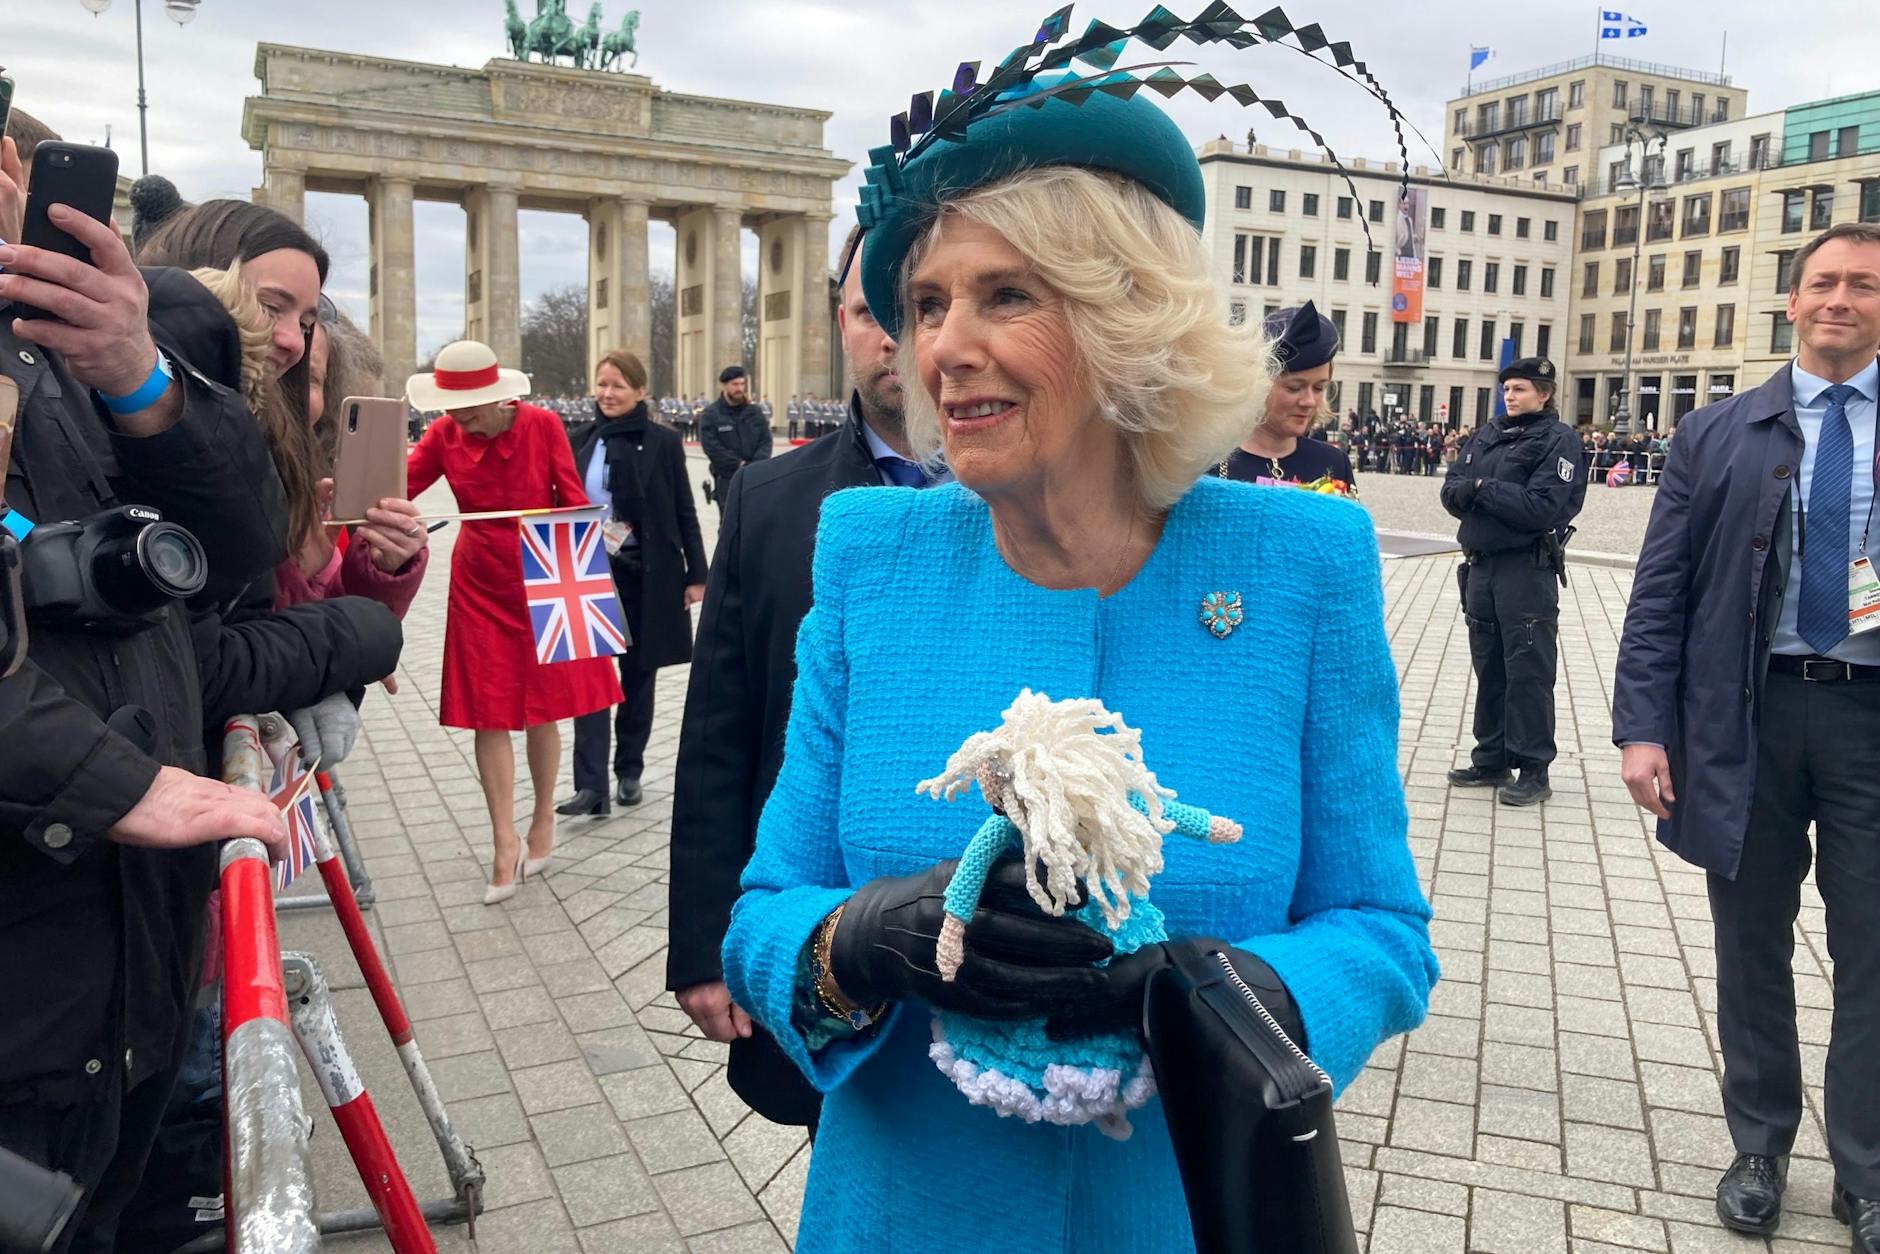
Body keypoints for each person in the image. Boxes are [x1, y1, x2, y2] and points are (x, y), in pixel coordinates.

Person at [720, 49, 1436, 1251]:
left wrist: (1245, 1000)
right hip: (906, 1220)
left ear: (1127, 317)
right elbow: (762, 914)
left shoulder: (1301, 563)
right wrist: (861, 940)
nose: (942, 346)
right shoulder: (871, 557)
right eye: (927, 304)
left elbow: (1379, 928)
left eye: (1005, 295)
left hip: (1184, 1215)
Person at [0, 124, 307, 1253]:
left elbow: (238, 547)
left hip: (120, 975)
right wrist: (123, 783)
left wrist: (139, 373)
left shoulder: (62, 355)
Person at [1613, 223, 1880, 1251]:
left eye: (1863, 285)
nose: (1841, 299)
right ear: (1792, 301)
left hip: (1867, 716)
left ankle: (1864, 1170)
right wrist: (1643, 729)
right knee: (1750, 941)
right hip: (1746, 717)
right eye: (1825, 282)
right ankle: (1759, 1146)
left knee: (1871, 950)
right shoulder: (1715, 432)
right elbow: (1660, 590)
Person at [669, 225, 947, 1134]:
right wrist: (703, 941)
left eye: (921, 309)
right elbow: (720, 729)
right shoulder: (767, 499)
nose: (894, 338)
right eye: (871, 312)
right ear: (840, 323)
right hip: (823, 927)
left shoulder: (1040, 500)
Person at [405, 342, 622, 904]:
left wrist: (588, 580)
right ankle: (504, 840)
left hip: (539, 569)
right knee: (489, 710)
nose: (458, 417)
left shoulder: (542, 426)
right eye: (450, 408)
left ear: (498, 397)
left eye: (468, 407)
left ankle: (543, 818)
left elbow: (570, 499)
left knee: (543, 707)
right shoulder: (443, 435)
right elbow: (396, 486)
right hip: (478, 581)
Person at [555, 350, 707, 818]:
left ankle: (629, 770)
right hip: (587, 571)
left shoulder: (662, 442)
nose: (607, 393)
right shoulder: (579, 439)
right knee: (590, 677)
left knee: (638, 676)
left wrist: (697, 574)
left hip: (645, 572)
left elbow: (684, 508)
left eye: (618, 386)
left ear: (640, 391)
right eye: (602, 384)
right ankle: (590, 785)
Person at [1442, 358, 1587, 807]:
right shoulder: (1486, 435)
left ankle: (1533, 768)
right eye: (1507, 389)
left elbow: (1540, 507)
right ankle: (1491, 758)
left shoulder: (1558, 440)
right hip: (1481, 567)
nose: (1510, 396)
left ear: (1544, 394)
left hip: (1525, 569)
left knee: (1528, 670)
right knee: (1489, 667)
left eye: (1520, 389)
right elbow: (1451, 492)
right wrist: (1484, 492)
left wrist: (1481, 489)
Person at [1215, 301, 1354, 490]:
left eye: (1319, 388)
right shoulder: (1208, 464)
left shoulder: (1333, 463)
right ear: (1257, 385)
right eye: (1294, 388)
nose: (1309, 401)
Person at [698, 365, 771, 507]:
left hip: (755, 478)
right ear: (724, 386)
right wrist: (738, 464)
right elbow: (712, 447)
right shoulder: (711, 414)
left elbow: (765, 441)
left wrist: (756, 465)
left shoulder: (754, 412)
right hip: (727, 479)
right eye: (735, 384)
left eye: (742, 384)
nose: (739, 388)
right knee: (729, 518)